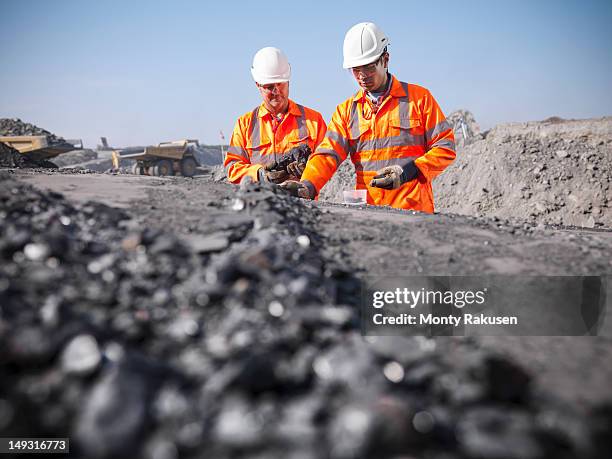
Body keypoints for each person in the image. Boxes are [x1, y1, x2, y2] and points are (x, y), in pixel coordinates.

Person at [282, 22, 455, 213]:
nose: (362, 76)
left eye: (369, 67)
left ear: (385, 60)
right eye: (355, 69)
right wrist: (308, 185)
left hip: (414, 212)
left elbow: (445, 147)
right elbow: (327, 155)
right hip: (369, 215)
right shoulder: (347, 111)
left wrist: (409, 170)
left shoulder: (419, 99)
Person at [224, 47, 327, 184]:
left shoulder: (314, 121)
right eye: (269, 86)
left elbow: (327, 163)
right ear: (258, 85)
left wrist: (309, 171)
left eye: (280, 84)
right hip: (260, 202)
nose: (276, 91)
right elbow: (232, 168)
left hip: (302, 203)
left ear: (288, 81)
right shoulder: (245, 124)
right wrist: (259, 174)